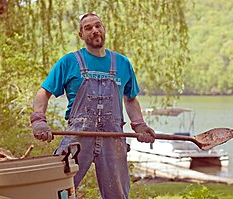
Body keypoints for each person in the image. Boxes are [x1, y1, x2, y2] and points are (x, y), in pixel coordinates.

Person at [30, 13, 155, 199]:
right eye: (88, 28)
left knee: (117, 194)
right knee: (58, 190)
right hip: (79, 138)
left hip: (113, 138)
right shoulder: (69, 62)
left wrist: (140, 126)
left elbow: (130, 99)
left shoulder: (122, 63)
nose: (95, 30)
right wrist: (38, 120)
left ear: (104, 29)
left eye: (98, 26)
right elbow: (43, 92)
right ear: (81, 35)